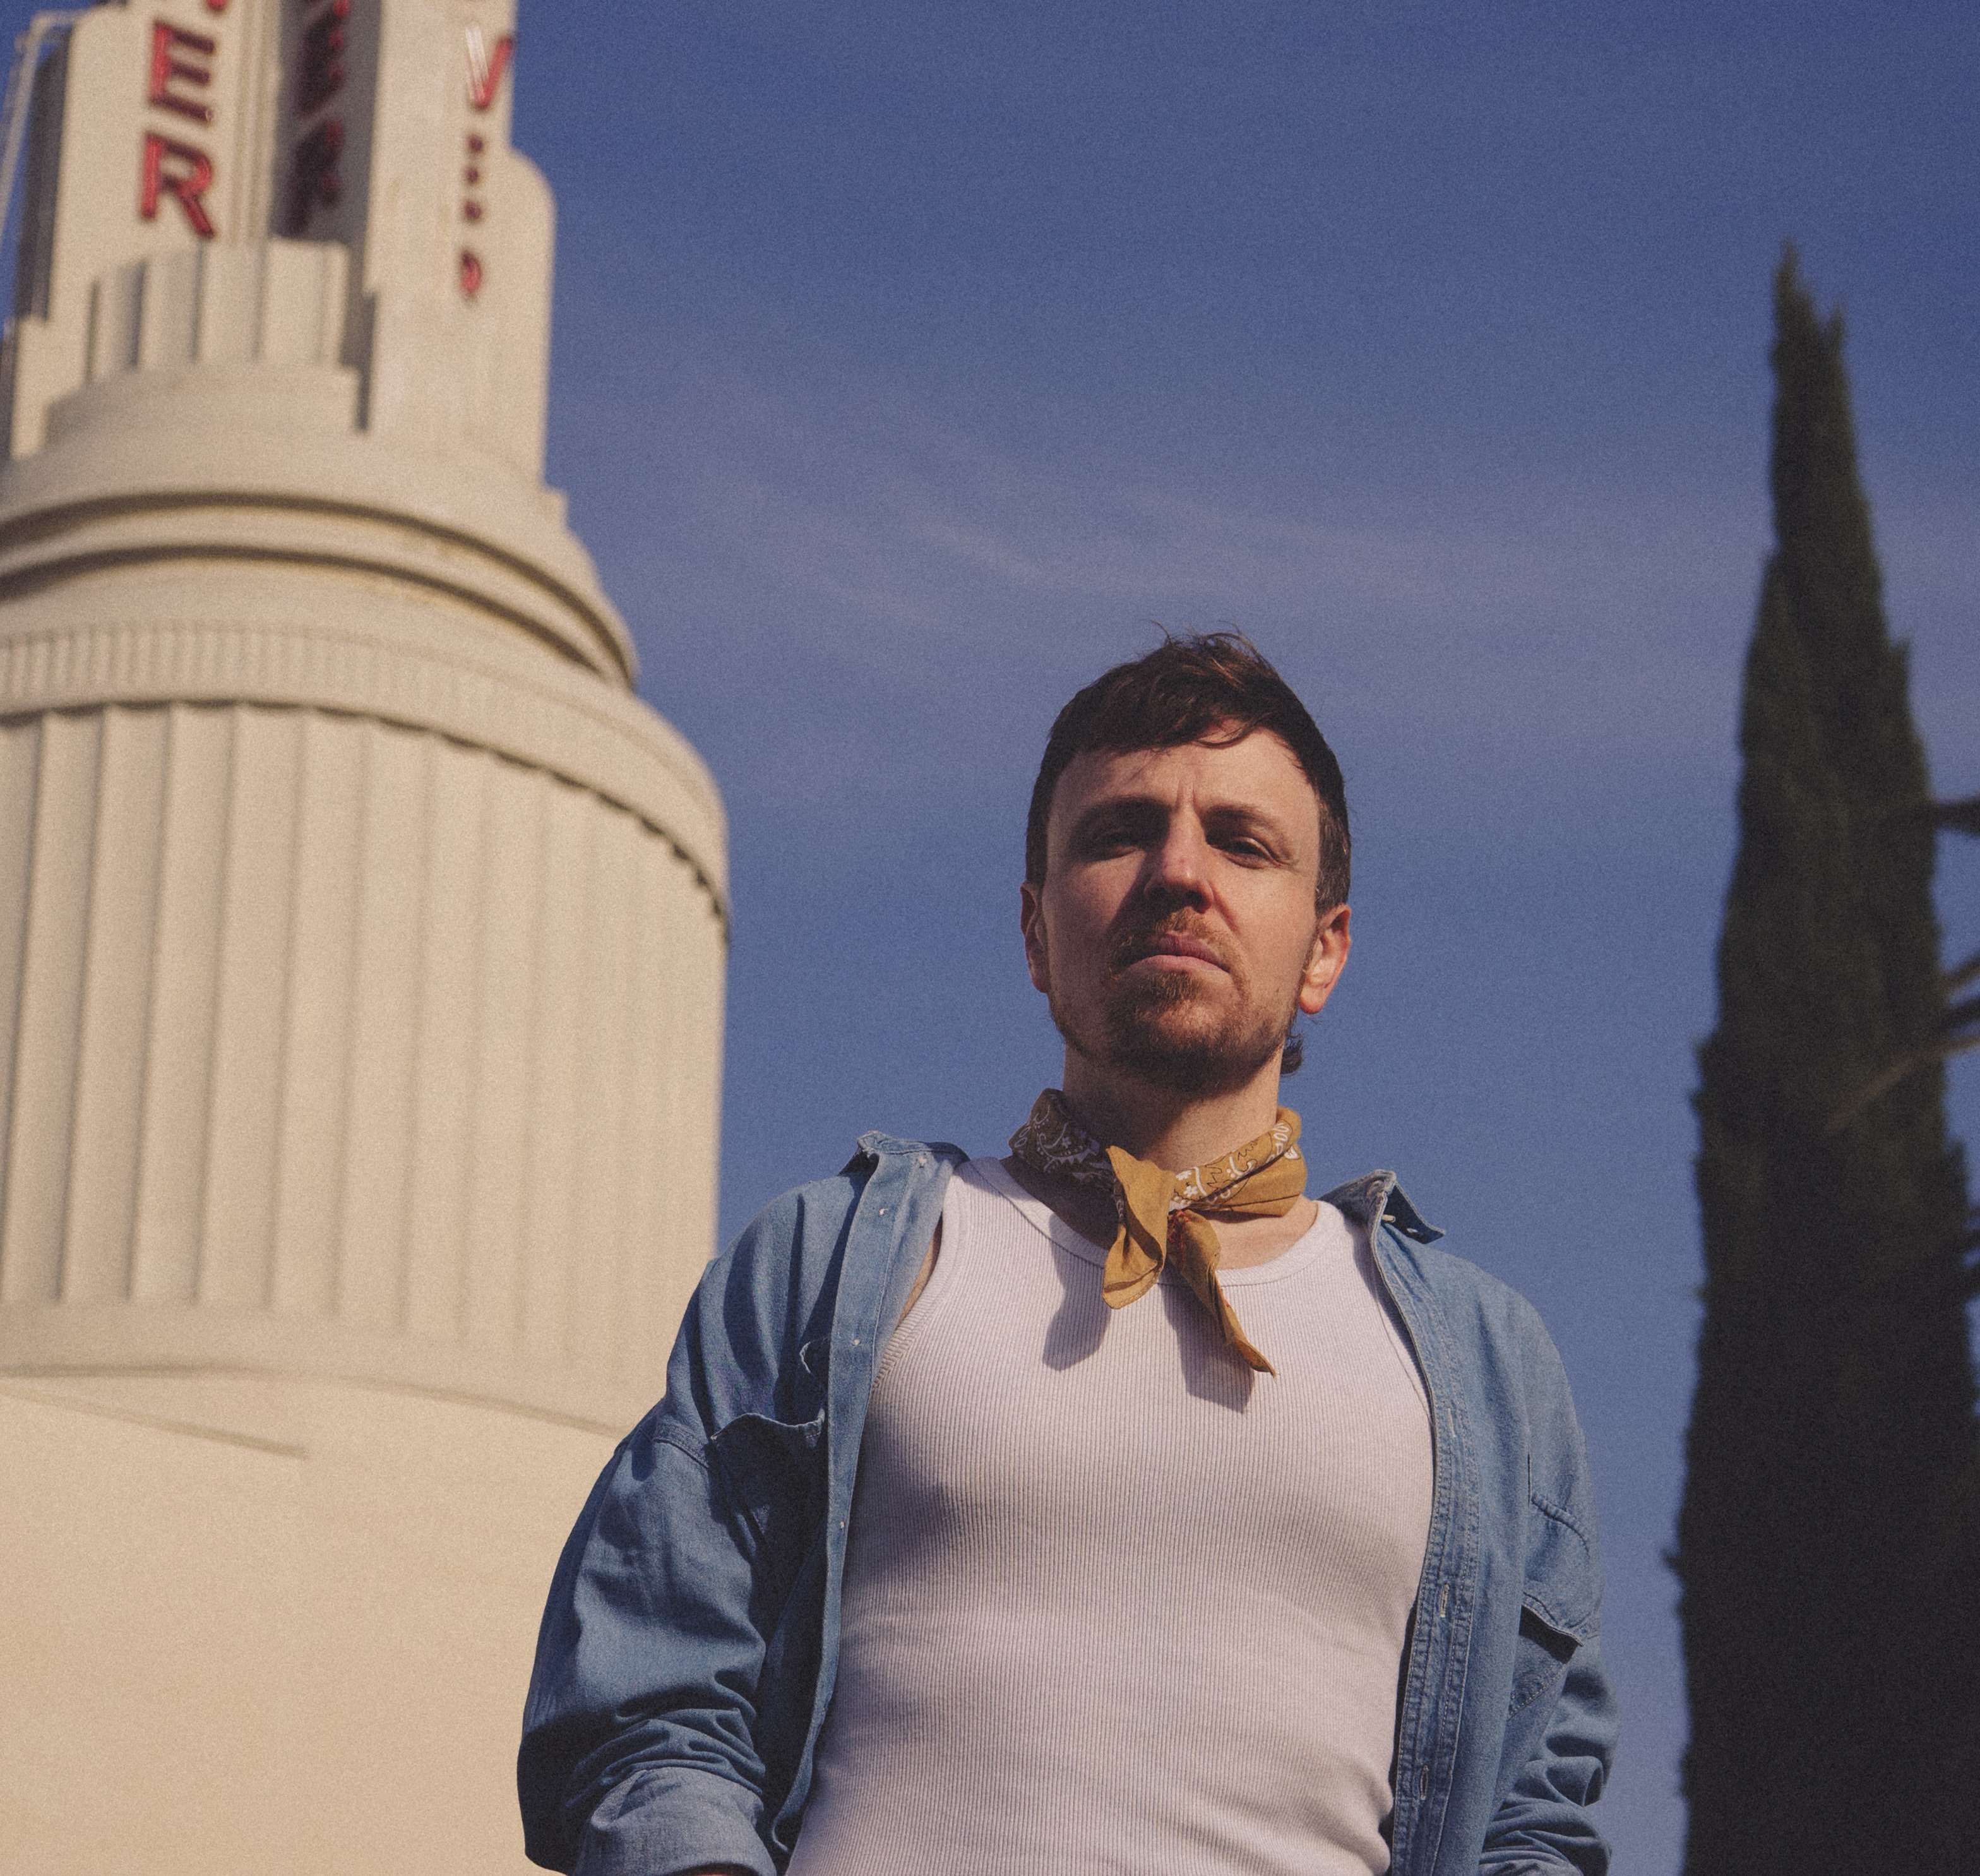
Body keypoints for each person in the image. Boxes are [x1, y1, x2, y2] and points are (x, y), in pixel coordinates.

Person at [518, 633, 1615, 1876]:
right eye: (1120, 832)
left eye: (1242, 842)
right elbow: (644, 1702)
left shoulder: (1482, 1368)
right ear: (1037, 935)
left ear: (1325, 946)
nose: (1178, 872)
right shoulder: (836, 1263)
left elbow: (1531, 1820)